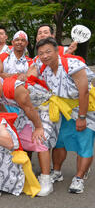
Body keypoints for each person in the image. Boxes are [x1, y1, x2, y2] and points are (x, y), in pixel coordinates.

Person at [29, 37, 95, 194]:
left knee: (83, 143)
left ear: (57, 50)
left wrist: (82, 117)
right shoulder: (42, 66)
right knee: (59, 142)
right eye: (41, 53)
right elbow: (31, 72)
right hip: (60, 108)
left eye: (48, 52)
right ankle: (56, 171)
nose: (45, 56)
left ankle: (79, 178)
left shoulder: (73, 65)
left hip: (82, 107)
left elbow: (84, 92)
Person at [0, 72, 58, 196]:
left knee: (40, 140)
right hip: (26, 110)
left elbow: (30, 109)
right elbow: (1, 111)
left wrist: (38, 127)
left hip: (44, 107)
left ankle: (46, 180)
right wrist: (7, 130)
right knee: (15, 138)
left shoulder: (14, 88)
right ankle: (23, 173)